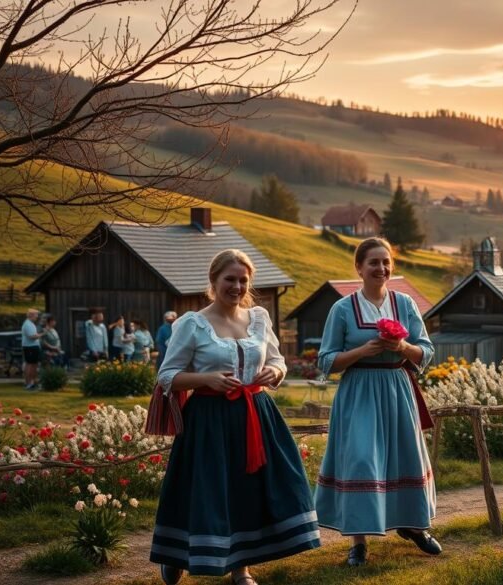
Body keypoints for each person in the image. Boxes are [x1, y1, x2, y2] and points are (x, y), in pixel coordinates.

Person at [150, 249, 319, 584]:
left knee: (248, 490)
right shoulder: (192, 324)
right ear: (213, 281)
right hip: (209, 419)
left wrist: (274, 371)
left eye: (243, 280)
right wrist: (205, 379)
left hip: (257, 415)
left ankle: (241, 569)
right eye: (230, 279)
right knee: (209, 490)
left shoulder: (258, 318)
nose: (237, 286)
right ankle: (178, 552)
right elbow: (167, 375)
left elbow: (278, 360)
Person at [315, 237, 439, 567]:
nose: (381, 268)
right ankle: (358, 541)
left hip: (398, 387)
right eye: (373, 262)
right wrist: (361, 352)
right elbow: (326, 360)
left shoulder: (405, 304)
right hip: (358, 390)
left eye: (386, 262)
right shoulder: (341, 309)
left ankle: (413, 526)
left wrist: (402, 349)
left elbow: (425, 351)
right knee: (360, 459)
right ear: (359, 267)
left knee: (404, 457)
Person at [20, 308, 43, 390]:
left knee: (33, 364)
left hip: (32, 346)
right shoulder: (28, 324)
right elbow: (32, 336)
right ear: (31, 315)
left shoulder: (31, 324)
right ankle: (29, 383)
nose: (37, 317)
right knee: (30, 364)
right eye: (36, 315)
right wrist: (41, 335)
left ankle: (32, 382)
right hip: (30, 346)